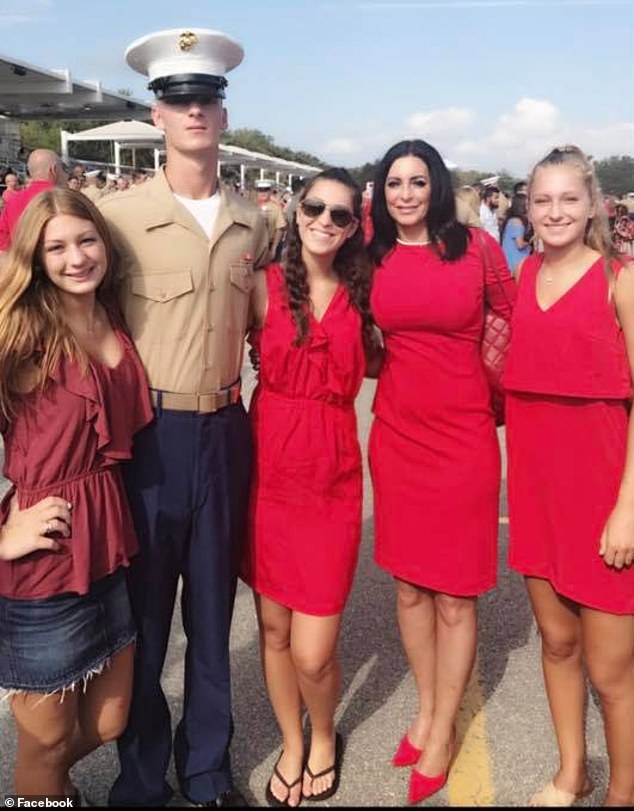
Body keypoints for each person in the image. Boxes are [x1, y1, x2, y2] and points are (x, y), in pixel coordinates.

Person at [98, 27, 269, 807]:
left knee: (210, 613)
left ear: (223, 115)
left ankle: (206, 770)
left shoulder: (253, 222)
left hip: (226, 431)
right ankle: (140, 775)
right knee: (141, 620)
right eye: (178, 98)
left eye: (207, 97)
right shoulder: (118, 219)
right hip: (150, 436)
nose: (195, 109)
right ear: (156, 116)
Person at [367, 139, 515, 804]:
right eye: (394, 182)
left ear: (436, 187)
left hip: (462, 439)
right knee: (407, 590)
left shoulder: (477, 248)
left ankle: (444, 723)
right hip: (397, 436)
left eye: (417, 181)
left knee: (455, 594)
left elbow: (520, 316)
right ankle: (428, 709)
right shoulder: (371, 254)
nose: (405, 193)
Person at [0, 189, 153, 799]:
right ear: (34, 258)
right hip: (45, 558)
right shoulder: (22, 331)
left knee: (110, 720)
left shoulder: (110, 312)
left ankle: (50, 791)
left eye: (85, 240)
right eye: (56, 247)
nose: (75, 258)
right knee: (45, 738)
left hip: (109, 545)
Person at [241, 167, 377, 807]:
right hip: (267, 477)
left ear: (355, 227)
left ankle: (324, 734)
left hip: (330, 480)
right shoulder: (260, 287)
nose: (324, 220)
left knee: (314, 650)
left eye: (340, 214)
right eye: (315, 207)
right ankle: (291, 745)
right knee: (273, 632)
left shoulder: (369, 291)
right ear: (296, 211)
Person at [503, 145, 634, 808]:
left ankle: (622, 792)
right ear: (528, 207)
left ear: (594, 208)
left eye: (568, 199)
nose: (554, 211)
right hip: (534, 492)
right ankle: (571, 770)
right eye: (543, 199)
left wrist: (628, 507)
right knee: (556, 644)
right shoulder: (523, 276)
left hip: (604, 494)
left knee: (611, 672)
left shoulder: (621, 278)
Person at [0, 149, 67, 253]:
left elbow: (3, 242)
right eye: (63, 169)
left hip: (22, 263)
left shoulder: (13, 202)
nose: (66, 175)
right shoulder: (65, 198)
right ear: (54, 170)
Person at [501, 193, 532, 274]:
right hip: (516, 260)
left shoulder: (513, 220)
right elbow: (520, 244)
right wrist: (530, 242)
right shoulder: (517, 222)